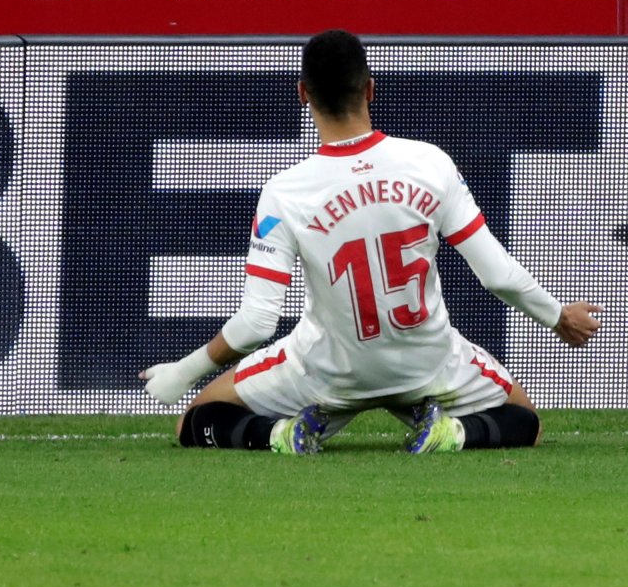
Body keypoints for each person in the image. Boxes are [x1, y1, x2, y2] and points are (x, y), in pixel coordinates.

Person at [140, 29, 602, 454]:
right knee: (524, 422)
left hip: (326, 372)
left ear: (303, 94)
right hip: (428, 365)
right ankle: (453, 433)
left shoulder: (286, 191)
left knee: (197, 421)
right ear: (370, 89)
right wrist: (559, 316)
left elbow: (258, 323)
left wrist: (184, 371)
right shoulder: (429, 163)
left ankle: (282, 436)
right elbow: (497, 274)